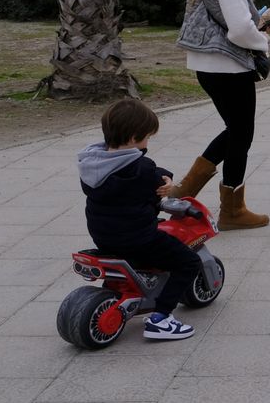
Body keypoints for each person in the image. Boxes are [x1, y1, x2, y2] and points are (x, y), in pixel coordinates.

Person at [172, 0, 270, 229]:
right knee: (241, 134)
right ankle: (231, 210)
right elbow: (239, 29)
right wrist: (262, 39)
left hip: (208, 65)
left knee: (237, 130)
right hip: (227, 65)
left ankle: (187, 190)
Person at [77, 98, 201, 341]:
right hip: (137, 238)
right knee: (188, 262)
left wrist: (159, 177)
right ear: (134, 137)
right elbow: (154, 185)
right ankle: (161, 318)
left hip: (104, 236)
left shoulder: (91, 164)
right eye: (147, 137)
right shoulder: (141, 168)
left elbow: (134, 186)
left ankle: (130, 288)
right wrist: (166, 183)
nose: (147, 143)